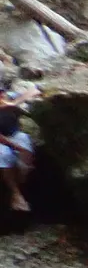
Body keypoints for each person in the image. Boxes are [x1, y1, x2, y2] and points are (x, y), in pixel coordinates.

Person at [0, 81, 39, 214]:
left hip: (15, 134)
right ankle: (16, 193)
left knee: (24, 141)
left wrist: (14, 103)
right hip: (2, 140)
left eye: (1, 93)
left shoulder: (9, 97)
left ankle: (23, 182)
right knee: (4, 154)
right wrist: (16, 147)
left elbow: (34, 90)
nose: (1, 96)